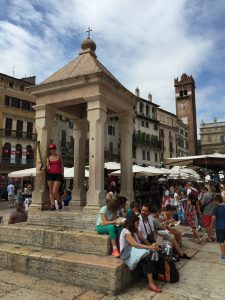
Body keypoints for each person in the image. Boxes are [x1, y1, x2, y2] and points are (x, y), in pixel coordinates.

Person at [120, 214, 162, 293]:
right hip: (126, 253)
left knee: (150, 254)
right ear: (132, 223)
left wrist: (151, 246)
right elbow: (135, 245)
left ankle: (150, 280)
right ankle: (151, 282)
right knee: (148, 256)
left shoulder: (134, 231)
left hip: (133, 250)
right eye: (137, 224)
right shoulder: (126, 231)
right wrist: (149, 247)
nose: (138, 225)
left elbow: (140, 241)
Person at [46, 143, 64, 210]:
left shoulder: (59, 157)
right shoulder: (48, 158)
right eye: (51, 149)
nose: (52, 150)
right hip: (50, 174)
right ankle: (52, 205)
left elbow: (62, 166)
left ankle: (59, 202)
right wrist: (46, 168)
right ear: (50, 150)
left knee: (54, 191)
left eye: (53, 149)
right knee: (51, 191)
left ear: (55, 149)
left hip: (58, 175)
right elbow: (48, 166)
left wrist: (63, 174)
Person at [211, 194, 225, 260]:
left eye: (214, 201)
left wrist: (211, 225)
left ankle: (223, 255)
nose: (214, 202)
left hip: (220, 226)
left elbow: (213, 217)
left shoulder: (216, 208)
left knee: (221, 241)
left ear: (217, 201)